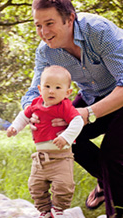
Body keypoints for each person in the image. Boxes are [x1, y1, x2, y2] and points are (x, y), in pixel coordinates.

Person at [21, 0, 123, 217]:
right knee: (63, 138)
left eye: (49, 23)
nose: (43, 32)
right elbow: (33, 93)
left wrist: (88, 113)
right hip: (91, 95)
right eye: (38, 25)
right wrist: (32, 114)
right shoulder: (46, 52)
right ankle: (107, 182)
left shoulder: (99, 32)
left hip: (120, 94)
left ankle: (117, 210)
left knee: (112, 154)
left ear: (70, 19)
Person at [7, 65, 84, 218]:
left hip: (61, 157)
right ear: (39, 88)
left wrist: (65, 137)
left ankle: (58, 209)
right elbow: (24, 116)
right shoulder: (36, 103)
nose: (51, 91)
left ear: (67, 92)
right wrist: (15, 127)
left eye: (57, 87)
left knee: (64, 185)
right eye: (47, 86)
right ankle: (45, 210)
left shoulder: (65, 106)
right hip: (41, 157)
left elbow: (77, 121)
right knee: (35, 186)